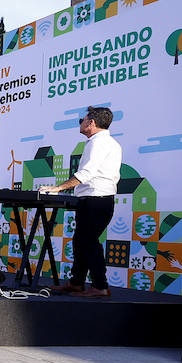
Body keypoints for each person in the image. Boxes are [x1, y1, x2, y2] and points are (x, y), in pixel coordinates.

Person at [42, 106, 121, 298]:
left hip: (96, 199)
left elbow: (87, 173)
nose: (81, 123)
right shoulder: (107, 142)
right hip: (96, 199)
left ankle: (100, 286)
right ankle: (77, 282)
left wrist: (59, 188)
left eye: (82, 120)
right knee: (81, 241)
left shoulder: (98, 143)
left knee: (88, 242)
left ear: (91, 123)